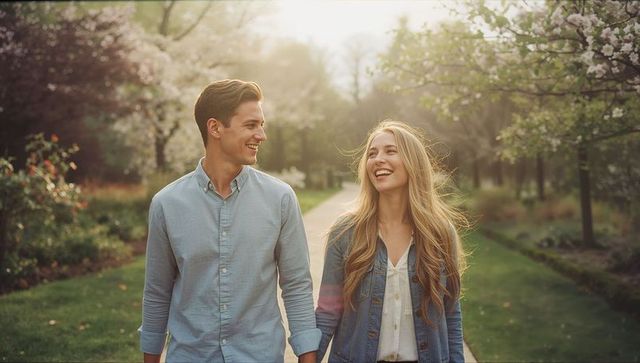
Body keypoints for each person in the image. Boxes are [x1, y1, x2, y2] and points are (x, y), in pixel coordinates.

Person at [138, 79, 320, 363]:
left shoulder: (280, 199)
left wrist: (307, 358)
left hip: (260, 356)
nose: (261, 135)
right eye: (251, 125)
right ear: (215, 128)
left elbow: (296, 285)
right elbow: (157, 292)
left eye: (262, 125)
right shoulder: (167, 204)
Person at [315, 120, 467, 363]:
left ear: (413, 163)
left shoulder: (440, 233)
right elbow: (327, 312)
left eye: (390, 151)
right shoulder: (345, 232)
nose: (377, 159)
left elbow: (451, 313)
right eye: (372, 154)